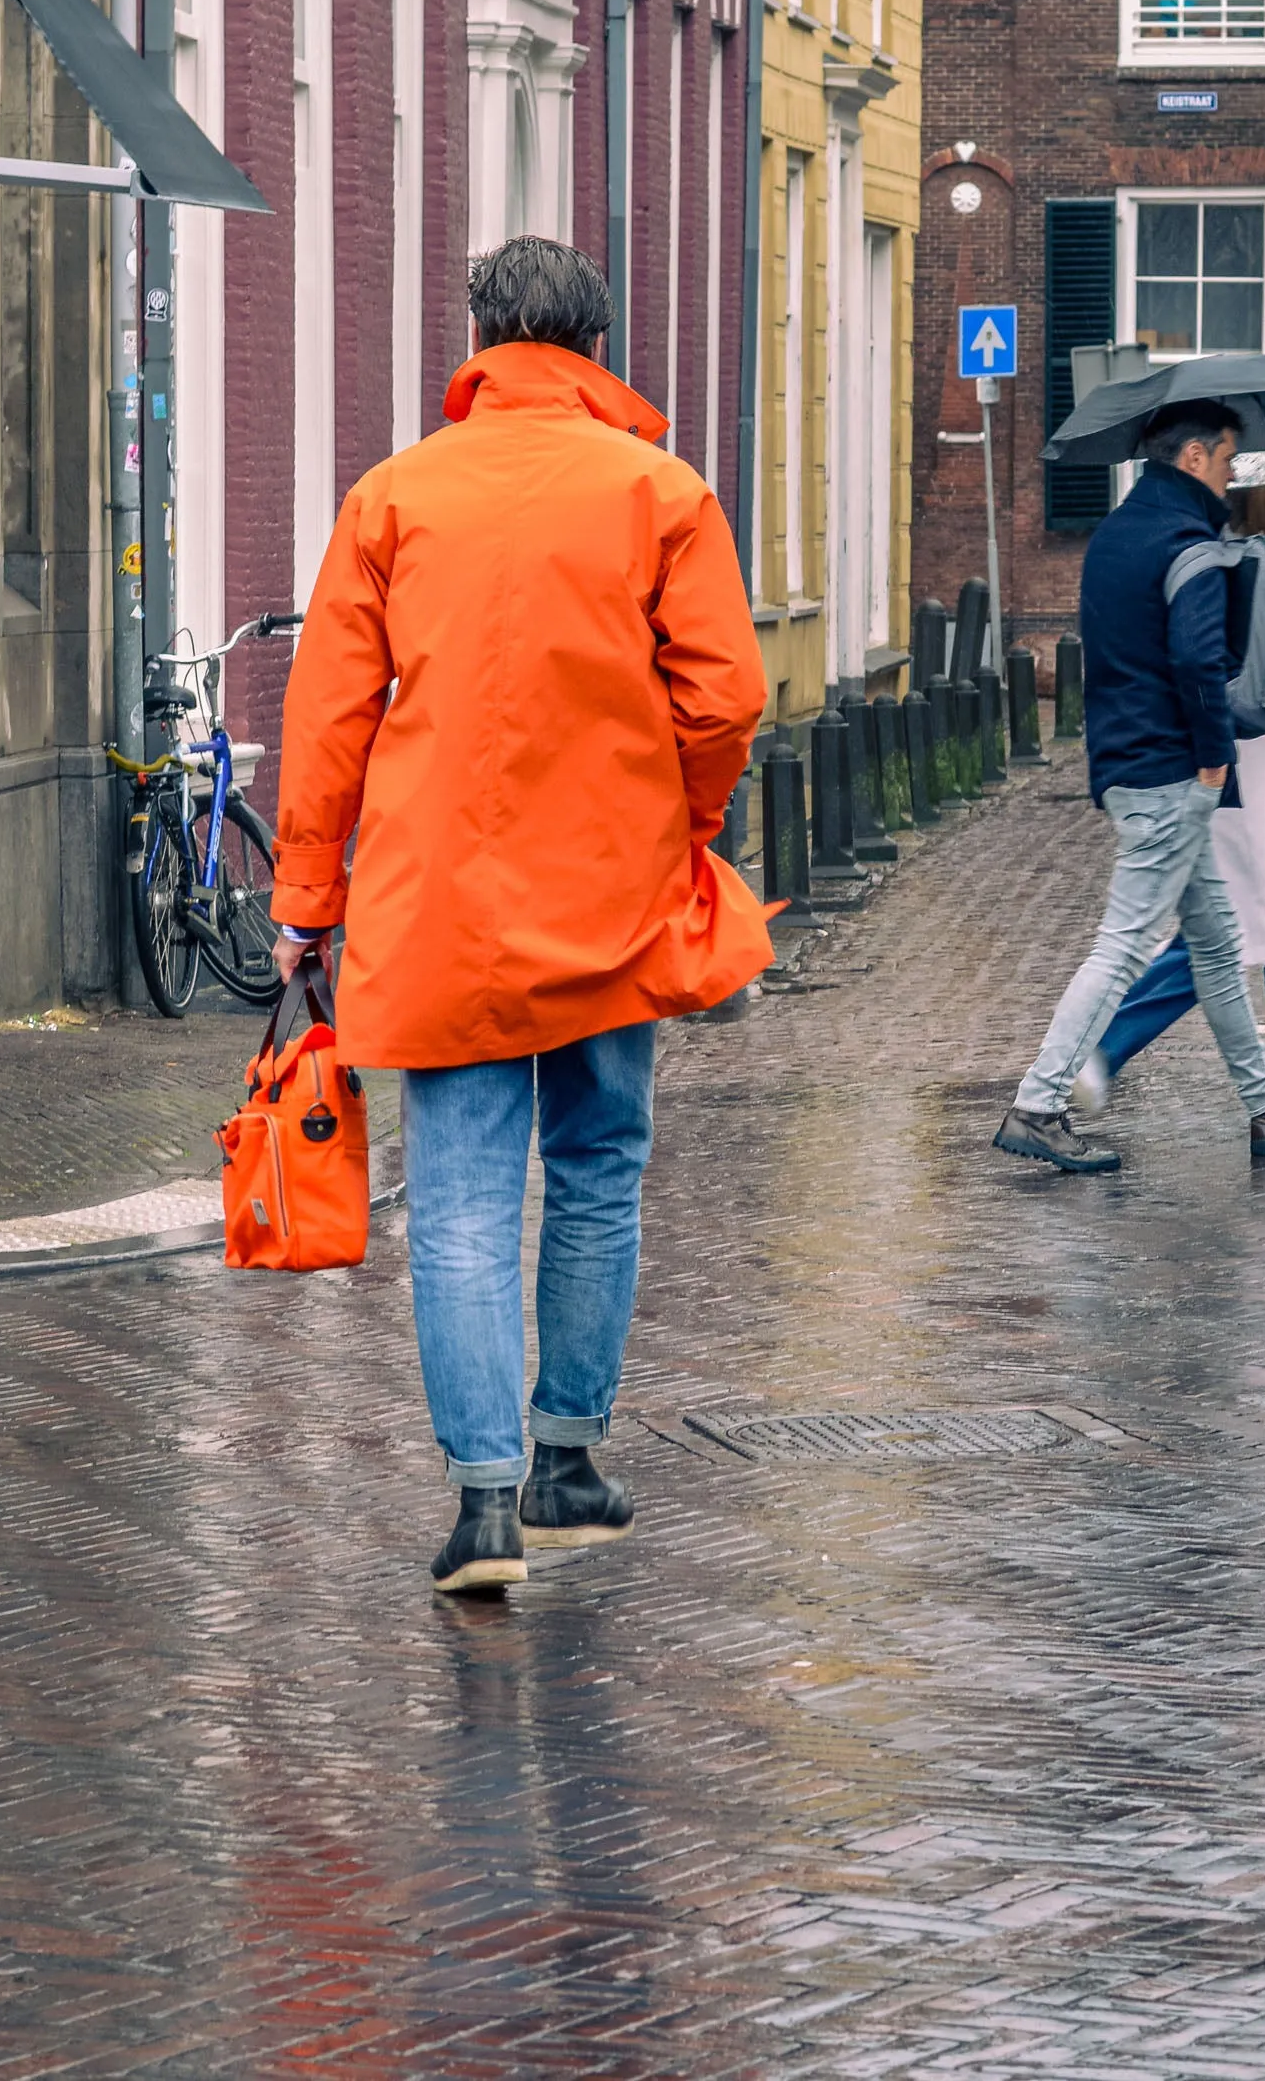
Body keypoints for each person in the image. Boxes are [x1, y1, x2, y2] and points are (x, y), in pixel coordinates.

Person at [269, 236, 772, 1594]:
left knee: (462, 1197)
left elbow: (326, 723)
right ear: (598, 345)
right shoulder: (659, 493)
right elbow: (725, 698)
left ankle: (484, 1505)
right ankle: (568, 1459)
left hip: (439, 903)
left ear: (481, 337)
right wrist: (687, 823)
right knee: (600, 1166)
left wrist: (306, 900)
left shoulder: (393, 498)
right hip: (613, 893)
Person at [993, 402, 1265, 1174]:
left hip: (1131, 758)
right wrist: (1215, 760)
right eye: (1225, 460)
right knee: (1123, 947)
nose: (1230, 476)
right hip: (1170, 772)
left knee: (1216, 945)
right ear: (1193, 457)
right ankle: (1039, 1102)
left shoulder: (1119, 533)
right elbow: (1196, 662)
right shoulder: (1186, 544)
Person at [1072, 482, 1265, 1124]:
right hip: (1259, 769)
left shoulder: (1221, 552)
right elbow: (1261, 661)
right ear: (1264, 500)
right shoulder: (1243, 559)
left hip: (1246, 773)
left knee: (1241, 928)